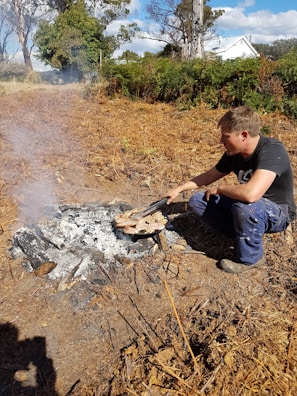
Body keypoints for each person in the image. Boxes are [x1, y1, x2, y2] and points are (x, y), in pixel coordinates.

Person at [165, 106, 296, 274]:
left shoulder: (272, 150)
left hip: (278, 211)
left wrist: (221, 189)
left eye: (226, 137)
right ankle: (241, 233)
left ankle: (252, 258)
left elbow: (250, 194)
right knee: (198, 201)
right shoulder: (234, 154)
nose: (221, 141)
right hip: (249, 206)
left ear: (244, 135)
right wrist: (179, 189)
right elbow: (208, 176)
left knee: (245, 207)